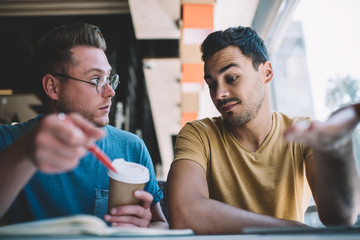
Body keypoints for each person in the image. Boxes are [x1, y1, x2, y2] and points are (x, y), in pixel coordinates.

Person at [167, 26, 360, 234]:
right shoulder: (198, 134)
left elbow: (341, 218)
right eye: (211, 84)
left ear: (266, 72)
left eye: (231, 78)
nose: (219, 94)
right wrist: (293, 230)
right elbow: (184, 213)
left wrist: (336, 152)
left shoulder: (302, 132)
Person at [0, 22, 168, 229]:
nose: (110, 92)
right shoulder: (7, 142)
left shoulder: (131, 148)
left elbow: (161, 223)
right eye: (96, 79)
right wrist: (24, 153)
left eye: (109, 79)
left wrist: (145, 227)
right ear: (53, 87)